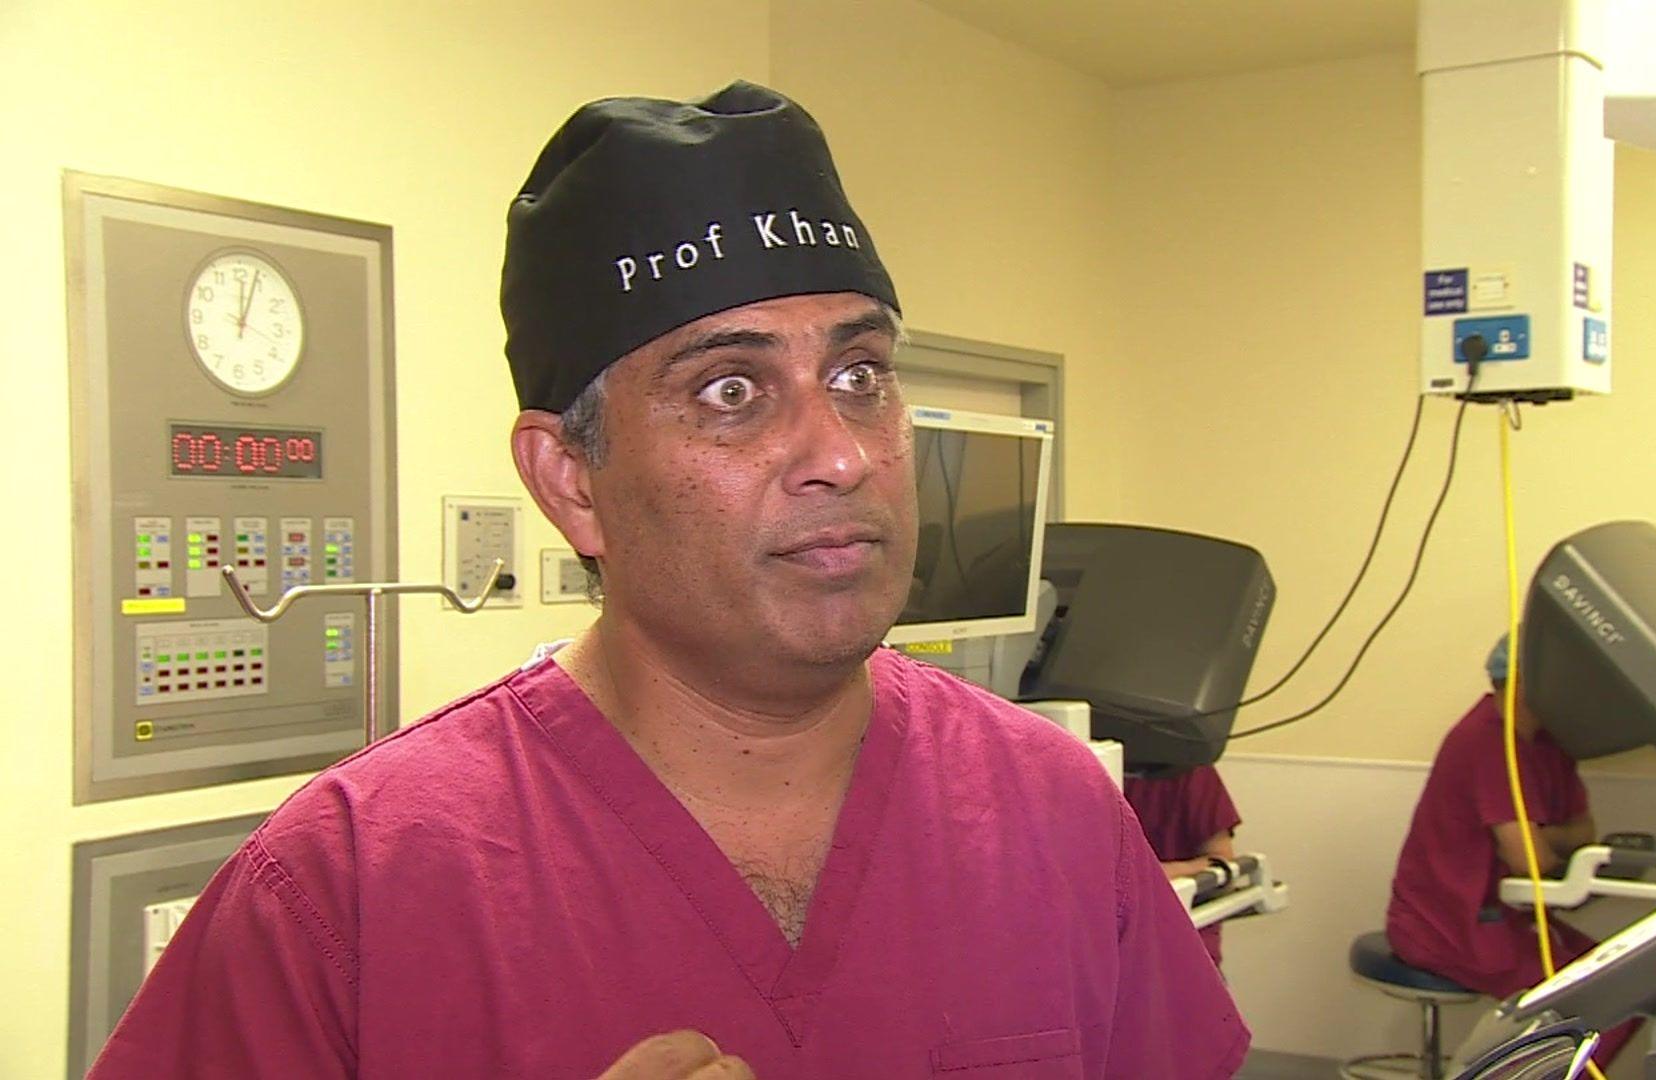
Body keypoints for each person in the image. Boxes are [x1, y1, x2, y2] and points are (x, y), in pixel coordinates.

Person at [88, 83, 1248, 1078]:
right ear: (570, 479)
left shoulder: (1053, 811)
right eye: (731, 391)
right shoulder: (347, 890)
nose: (841, 453)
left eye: (859, 375)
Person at [1384, 632, 1636, 1067]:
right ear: (1525, 680)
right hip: (1449, 925)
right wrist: (1547, 840)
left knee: (1628, 987)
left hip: (1511, 920)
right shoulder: (1484, 742)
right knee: (1597, 1012)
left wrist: (1540, 836)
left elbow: (1584, 832)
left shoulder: (1549, 744)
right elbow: (1532, 861)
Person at [1122, 763, 1242, 966]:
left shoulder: (1188, 767)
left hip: (1181, 950)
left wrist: (1159, 873)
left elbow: (1223, 862)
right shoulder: (1070, 774)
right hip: (1099, 954)